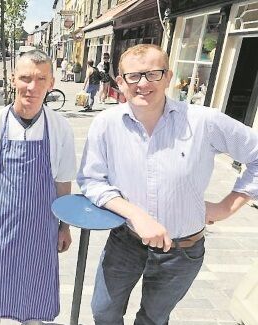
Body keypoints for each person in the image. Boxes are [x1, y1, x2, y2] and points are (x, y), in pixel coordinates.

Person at [77, 43, 258, 325]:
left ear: (169, 77)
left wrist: (227, 206)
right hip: (126, 241)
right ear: (121, 82)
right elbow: (91, 180)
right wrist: (137, 215)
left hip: (182, 251)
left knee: (153, 319)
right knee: (104, 312)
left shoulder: (203, 121)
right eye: (134, 76)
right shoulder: (106, 124)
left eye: (153, 74)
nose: (144, 84)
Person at [0, 49, 76, 325]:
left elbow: (62, 180)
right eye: (25, 77)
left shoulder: (60, 128)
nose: (32, 86)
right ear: (13, 79)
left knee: (34, 306)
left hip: (40, 232)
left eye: (41, 79)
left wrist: (64, 227)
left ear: (51, 83)